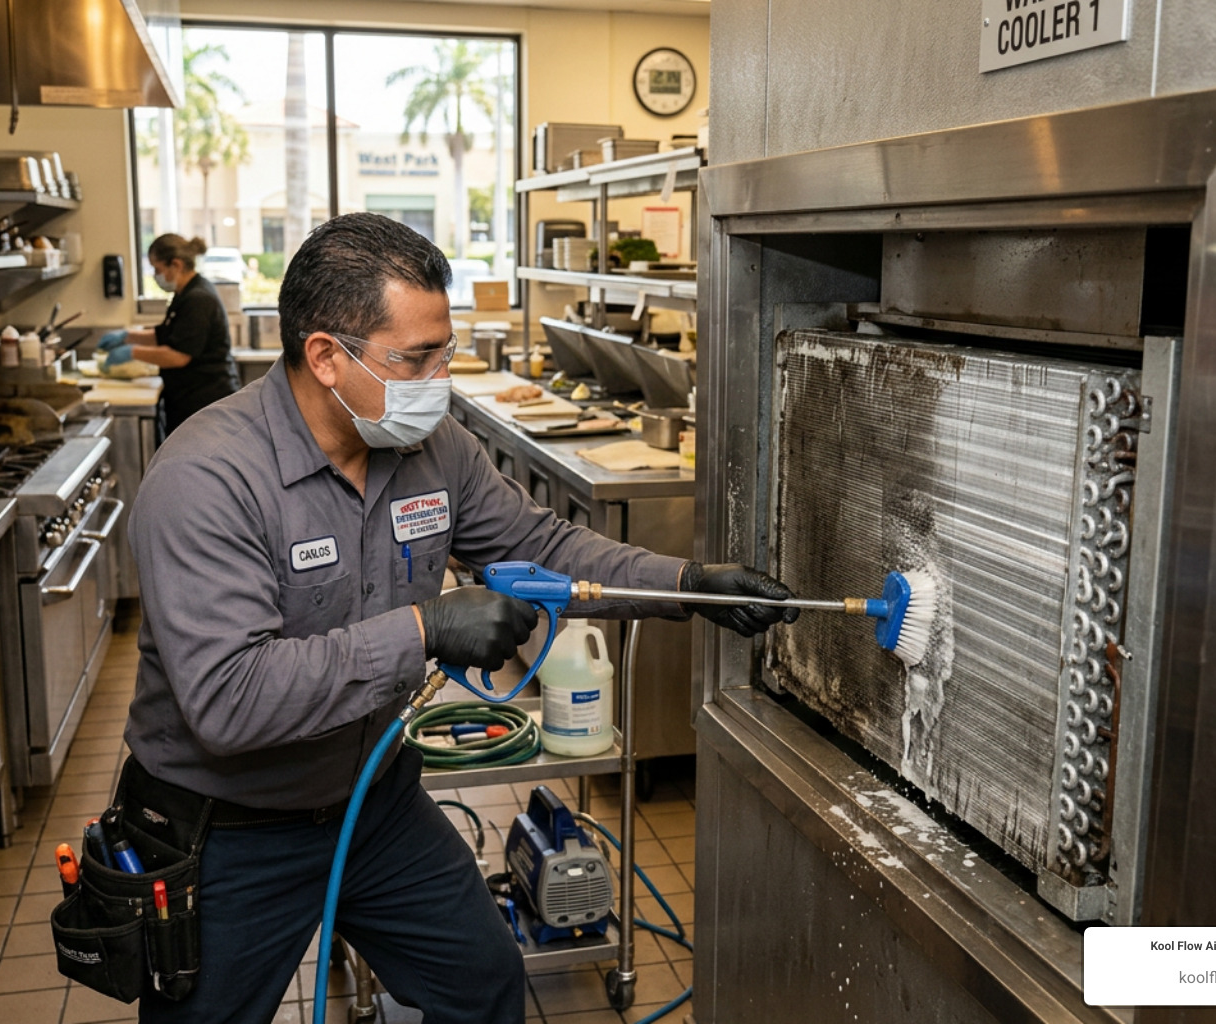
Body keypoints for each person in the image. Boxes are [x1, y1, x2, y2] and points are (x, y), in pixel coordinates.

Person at [122, 213, 797, 1024]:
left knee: (481, 985)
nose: (441, 376)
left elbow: (544, 548)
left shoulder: (432, 449)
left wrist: (689, 584)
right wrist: (425, 630)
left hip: (373, 800)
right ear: (326, 356)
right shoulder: (206, 478)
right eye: (416, 359)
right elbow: (229, 699)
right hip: (226, 831)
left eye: (444, 350)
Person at [95, 234, 240, 436]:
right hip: (190, 399)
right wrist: (128, 336)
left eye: (158, 269)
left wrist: (132, 352)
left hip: (205, 401)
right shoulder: (185, 294)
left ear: (176, 265)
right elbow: (166, 335)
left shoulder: (199, 299)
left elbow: (178, 355)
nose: (156, 275)